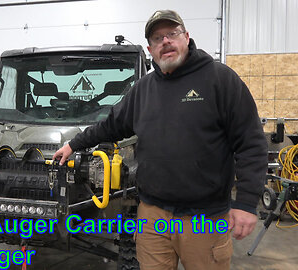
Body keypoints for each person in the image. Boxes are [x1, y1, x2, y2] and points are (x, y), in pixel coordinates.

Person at [53, 10, 268, 270]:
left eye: (172, 34)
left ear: (186, 37)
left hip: (205, 217)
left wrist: (246, 202)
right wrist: (74, 144)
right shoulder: (143, 90)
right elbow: (111, 125)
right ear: (150, 49)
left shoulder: (220, 80)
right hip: (153, 214)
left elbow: (251, 143)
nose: (165, 41)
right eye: (157, 38)